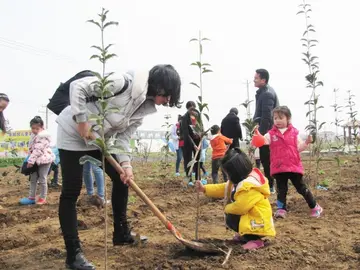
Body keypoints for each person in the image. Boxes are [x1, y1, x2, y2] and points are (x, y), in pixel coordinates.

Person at [56, 65, 181, 270]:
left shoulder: (143, 108)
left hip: (99, 141)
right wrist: (81, 120)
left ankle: (121, 234)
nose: (167, 101)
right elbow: (78, 87)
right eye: (168, 96)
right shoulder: (121, 83)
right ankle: (73, 254)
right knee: (71, 191)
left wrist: (126, 165)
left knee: (122, 179)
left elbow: (123, 138)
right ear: (159, 87)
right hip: (72, 134)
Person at [195, 148, 275, 250]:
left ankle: (255, 240)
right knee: (231, 216)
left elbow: (240, 208)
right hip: (252, 218)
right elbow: (223, 188)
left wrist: (227, 208)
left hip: (258, 222)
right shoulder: (239, 181)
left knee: (232, 215)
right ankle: (245, 236)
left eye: (228, 173)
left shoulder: (249, 187)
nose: (227, 176)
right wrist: (204, 188)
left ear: (235, 173)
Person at [251, 106, 323, 218]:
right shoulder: (271, 134)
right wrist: (256, 134)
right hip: (279, 168)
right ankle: (281, 209)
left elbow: (298, 148)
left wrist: (306, 142)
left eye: (280, 118)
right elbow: (261, 142)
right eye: (275, 118)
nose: (277, 120)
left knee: (301, 188)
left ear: (288, 118)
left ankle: (314, 206)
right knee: (281, 190)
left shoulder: (294, 133)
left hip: (293, 166)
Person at [253, 69, 279, 193]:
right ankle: (272, 183)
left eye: (256, 78)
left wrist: (261, 135)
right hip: (267, 132)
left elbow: (267, 117)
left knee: (266, 159)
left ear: (263, 80)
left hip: (268, 134)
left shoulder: (267, 94)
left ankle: (271, 185)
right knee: (267, 159)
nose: (254, 80)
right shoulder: (263, 92)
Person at [20, 116, 55, 205]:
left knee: (42, 179)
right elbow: (31, 149)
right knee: (33, 179)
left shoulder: (43, 136)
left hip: (44, 160)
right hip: (35, 160)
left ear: (42, 127)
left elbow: (38, 150)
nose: (35, 130)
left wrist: (30, 161)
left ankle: (43, 198)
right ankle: (31, 197)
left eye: (37, 128)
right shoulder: (33, 136)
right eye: (33, 128)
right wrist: (30, 159)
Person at [180, 102, 201, 185]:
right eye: (191, 109)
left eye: (194, 108)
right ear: (188, 109)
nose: (193, 111)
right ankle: (189, 179)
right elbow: (186, 133)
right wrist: (193, 145)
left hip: (197, 141)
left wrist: (201, 135)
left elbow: (200, 127)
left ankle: (197, 179)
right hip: (188, 142)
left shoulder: (197, 116)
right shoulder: (184, 118)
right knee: (188, 160)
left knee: (197, 160)